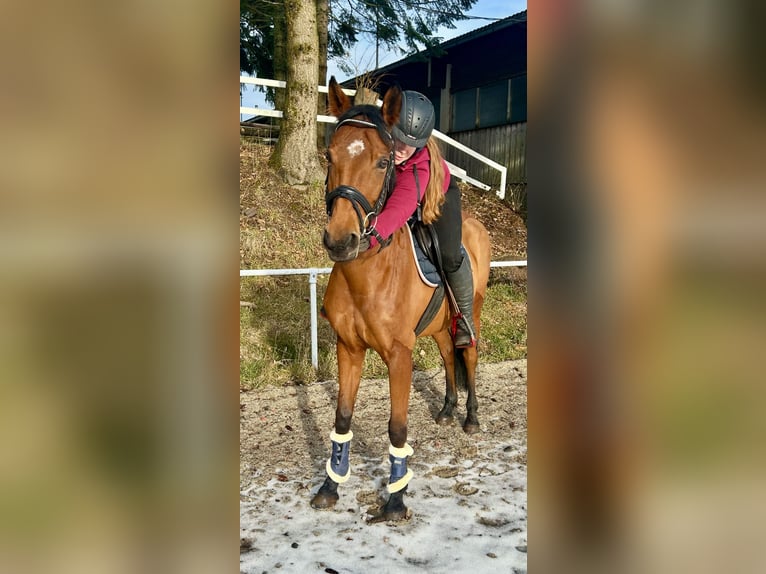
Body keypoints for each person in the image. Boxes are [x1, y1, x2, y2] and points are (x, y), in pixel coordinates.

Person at [362, 90, 477, 348]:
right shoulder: (379, 141)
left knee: (449, 253)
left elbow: (400, 207)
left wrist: (371, 235)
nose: (402, 149)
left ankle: (464, 319)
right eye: (398, 138)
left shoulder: (420, 166)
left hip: (439, 195)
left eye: (410, 144)